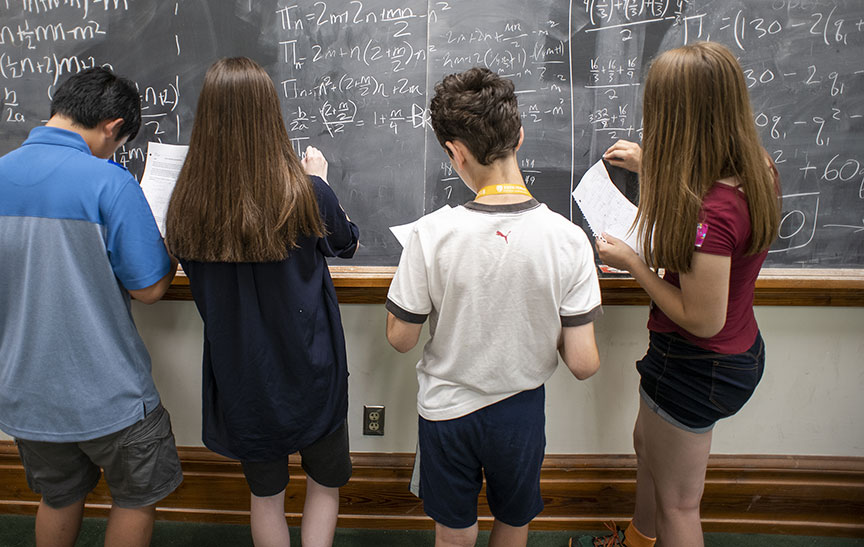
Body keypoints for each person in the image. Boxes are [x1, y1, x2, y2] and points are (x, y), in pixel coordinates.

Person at [572, 41, 781, 547]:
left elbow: (700, 317)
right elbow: (702, 181)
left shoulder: (709, 215)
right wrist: (651, 168)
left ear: (680, 120)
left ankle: (652, 536)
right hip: (728, 352)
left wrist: (634, 264)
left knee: (679, 504)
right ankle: (640, 541)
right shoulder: (757, 169)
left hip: (697, 362)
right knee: (648, 443)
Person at [385, 66, 602, 547]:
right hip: (519, 413)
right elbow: (585, 363)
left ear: (454, 153)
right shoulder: (569, 241)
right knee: (513, 522)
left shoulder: (430, 234)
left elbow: (400, 339)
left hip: (447, 413)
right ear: (519, 136)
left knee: (454, 533)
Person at [0, 67, 182, 547]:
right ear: (111, 126)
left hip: (28, 391)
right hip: (110, 394)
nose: (116, 151)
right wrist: (168, 251)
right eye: (119, 141)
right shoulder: (110, 182)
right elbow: (149, 289)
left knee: (59, 496)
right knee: (134, 496)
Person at [164, 57, 359, 547]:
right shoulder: (306, 193)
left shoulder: (185, 204)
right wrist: (322, 180)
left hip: (242, 376)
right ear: (270, 116)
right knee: (324, 484)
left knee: (265, 498)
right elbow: (347, 242)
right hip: (312, 368)